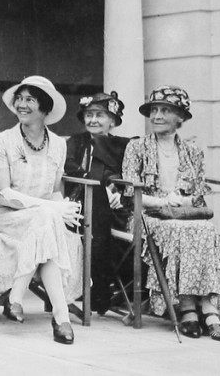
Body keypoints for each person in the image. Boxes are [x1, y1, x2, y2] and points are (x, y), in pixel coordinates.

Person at [122, 85, 220, 342]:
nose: (157, 116)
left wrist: (183, 200)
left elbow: (199, 194)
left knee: (206, 230)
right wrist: (162, 200)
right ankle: (189, 309)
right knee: (183, 232)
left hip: (182, 216)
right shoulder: (136, 147)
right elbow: (130, 193)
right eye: (154, 110)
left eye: (165, 110)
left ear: (180, 117)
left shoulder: (193, 151)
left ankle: (206, 310)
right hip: (146, 217)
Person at [0, 76, 82, 345]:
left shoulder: (59, 144)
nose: (22, 104)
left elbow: (54, 190)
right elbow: (3, 193)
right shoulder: (3, 141)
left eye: (30, 99)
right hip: (8, 216)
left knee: (45, 221)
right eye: (20, 98)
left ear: (45, 107)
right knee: (46, 217)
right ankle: (59, 315)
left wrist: (56, 207)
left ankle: (39, 306)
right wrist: (54, 208)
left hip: (42, 220)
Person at [64, 91, 133, 313]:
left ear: (112, 120)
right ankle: (99, 288)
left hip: (115, 207)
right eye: (89, 115)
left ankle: (106, 286)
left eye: (99, 115)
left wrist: (116, 190)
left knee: (107, 209)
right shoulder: (75, 142)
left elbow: (124, 174)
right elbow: (70, 167)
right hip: (77, 202)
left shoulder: (123, 145)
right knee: (97, 201)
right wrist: (102, 188)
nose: (93, 120)